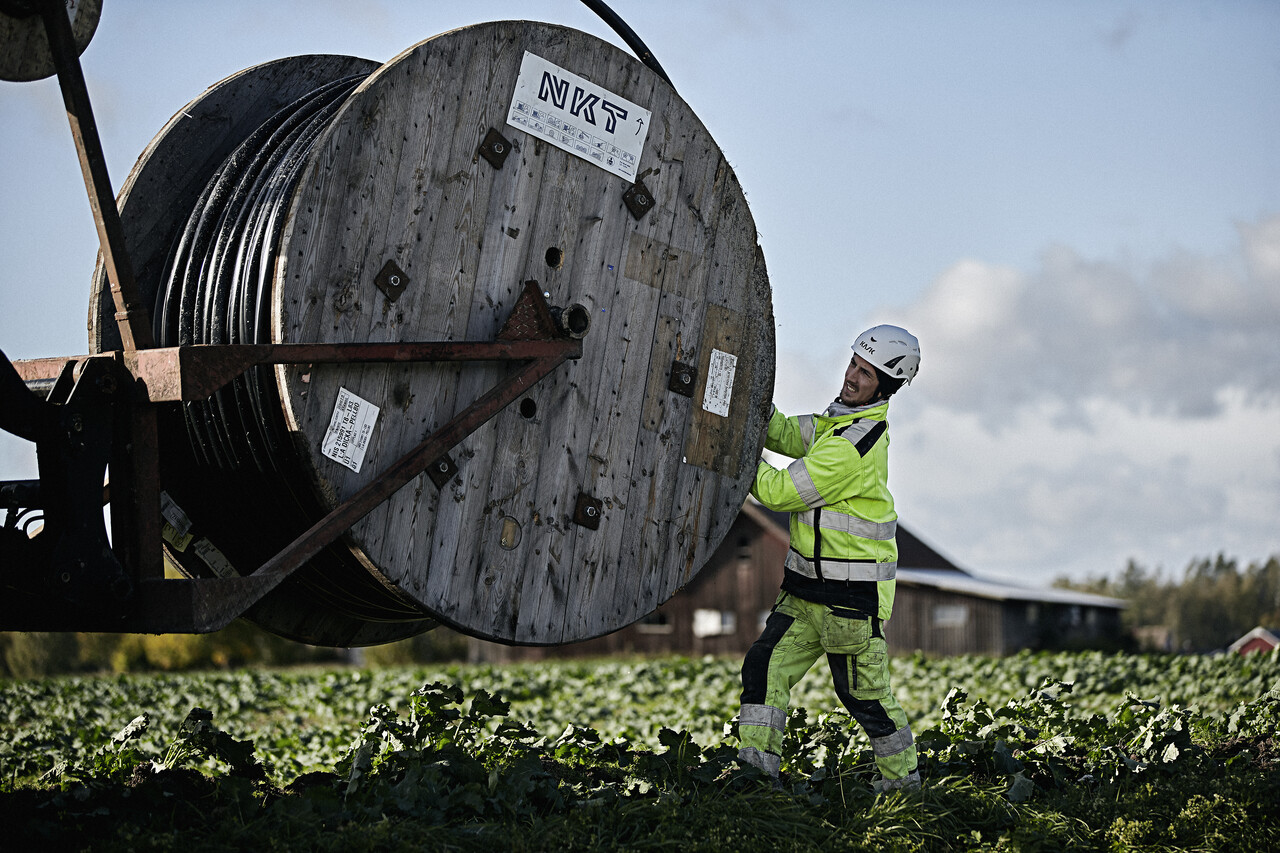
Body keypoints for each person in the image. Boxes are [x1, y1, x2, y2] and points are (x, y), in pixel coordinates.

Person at [737, 324, 922, 792]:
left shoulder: (850, 445)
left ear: (886, 387)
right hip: (804, 591)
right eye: (854, 364)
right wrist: (743, 399)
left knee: (865, 697)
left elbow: (778, 492)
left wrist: (732, 453)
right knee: (765, 668)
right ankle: (757, 780)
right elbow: (780, 431)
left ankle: (904, 788)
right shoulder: (835, 424)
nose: (852, 377)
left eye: (867, 373)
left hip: (847, 601)